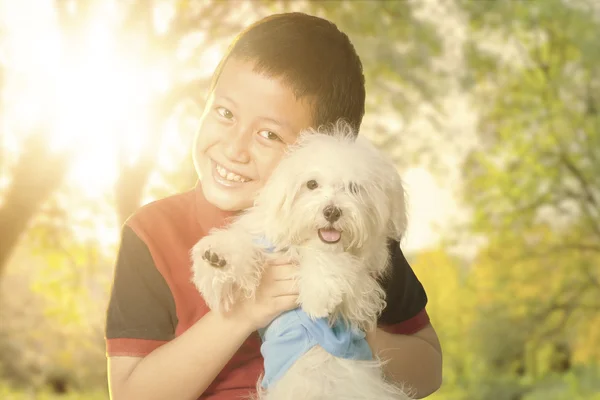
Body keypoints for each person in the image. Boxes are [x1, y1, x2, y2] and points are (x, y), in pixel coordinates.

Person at [105, 12, 443, 400]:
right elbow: (131, 394)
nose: (234, 149)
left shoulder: (356, 233)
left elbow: (429, 370)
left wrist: (353, 327)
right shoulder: (152, 233)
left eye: (269, 134)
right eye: (225, 113)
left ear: (323, 151)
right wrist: (246, 312)